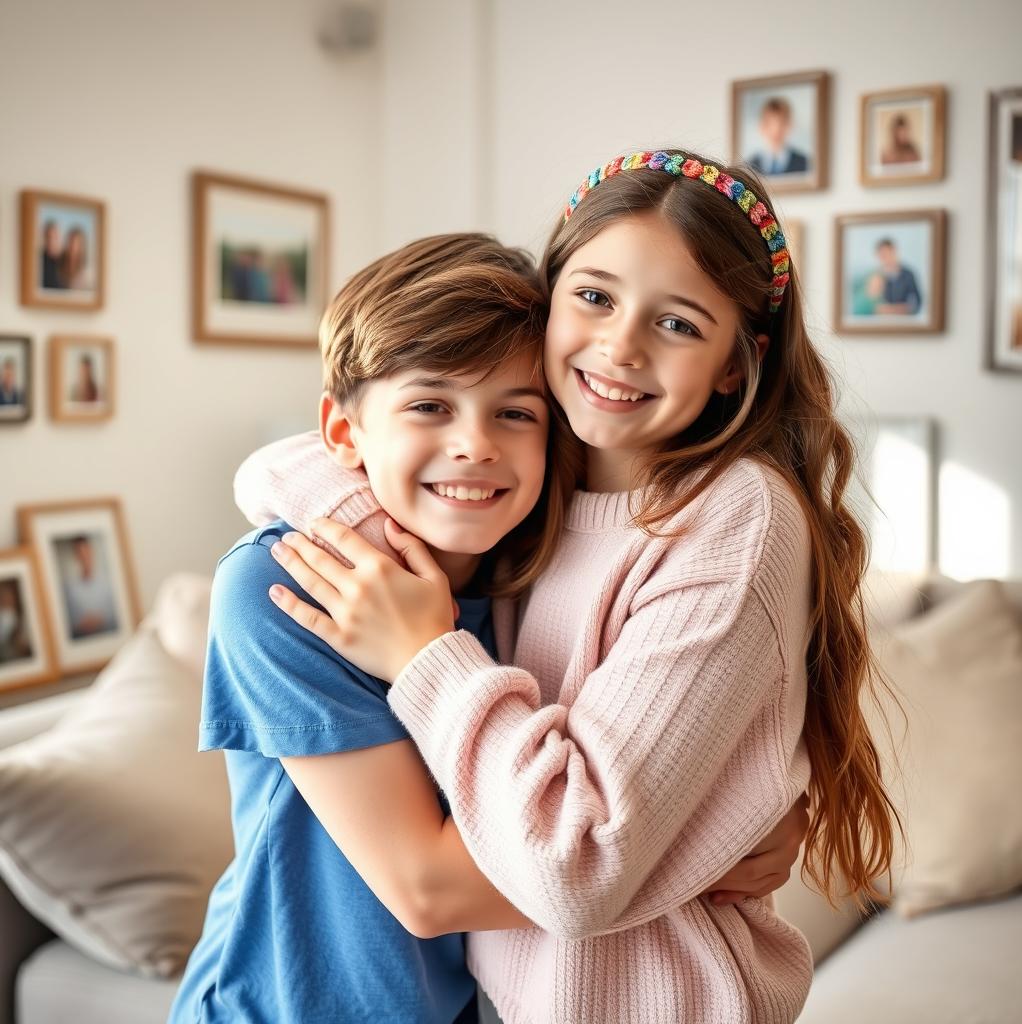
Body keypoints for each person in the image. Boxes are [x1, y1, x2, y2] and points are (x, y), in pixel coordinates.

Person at [252, 149, 899, 1023]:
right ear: (548, 300)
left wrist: (423, 656)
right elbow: (292, 462)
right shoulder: (528, 483)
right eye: (594, 296)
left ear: (736, 367)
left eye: (678, 324)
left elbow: (575, 865)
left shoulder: (731, 516)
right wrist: (696, 835)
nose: (620, 347)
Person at [174, 232, 807, 1024]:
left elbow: (597, 760)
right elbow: (429, 890)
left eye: (515, 413)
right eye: (431, 406)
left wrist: (720, 803)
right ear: (343, 434)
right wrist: (705, 835)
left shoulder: (525, 576)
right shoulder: (285, 587)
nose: (475, 444)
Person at [60, 535, 118, 639]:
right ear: (76, 557)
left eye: (86, 553)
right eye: (80, 554)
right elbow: (68, 620)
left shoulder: (108, 583)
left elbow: (116, 614)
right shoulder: (70, 589)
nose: (85, 558)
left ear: (91, 552)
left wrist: (100, 620)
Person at [748, 97, 809, 176]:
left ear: (790, 125)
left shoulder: (803, 163)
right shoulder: (750, 166)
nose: (776, 130)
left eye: (782, 123)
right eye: (769, 124)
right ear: (761, 126)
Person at [866, 238, 922, 316]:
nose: (885, 258)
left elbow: (916, 303)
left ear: (894, 251)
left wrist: (894, 309)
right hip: (881, 323)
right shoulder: (875, 277)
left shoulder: (908, 275)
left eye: (887, 253)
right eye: (882, 255)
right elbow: (870, 305)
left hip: (904, 322)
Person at [41, 220, 63, 290]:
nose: (51, 241)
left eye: (55, 237)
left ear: (59, 238)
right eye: (48, 237)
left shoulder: (65, 261)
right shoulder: (39, 260)